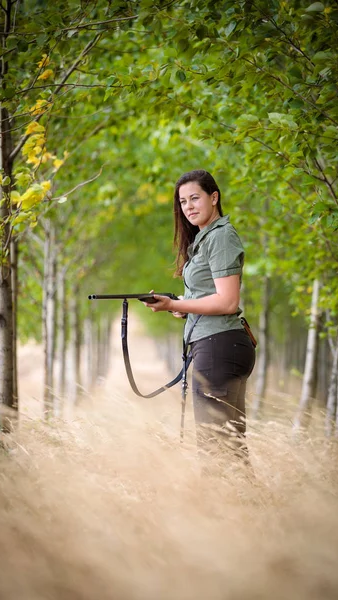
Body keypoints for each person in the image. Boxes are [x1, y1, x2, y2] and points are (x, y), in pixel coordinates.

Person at [144, 169, 256, 460]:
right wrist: (183, 304)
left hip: (220, 345)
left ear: (214, 197)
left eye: (195, 198)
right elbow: (211, 294)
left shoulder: (220, 237)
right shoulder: (206, 239)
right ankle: (251, 505)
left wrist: (174, 306)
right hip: (218, 344)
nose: (188, 207)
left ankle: (231, 504)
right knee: (227, 448)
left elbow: (227, 301)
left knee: (217, 450)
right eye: (182, 202)